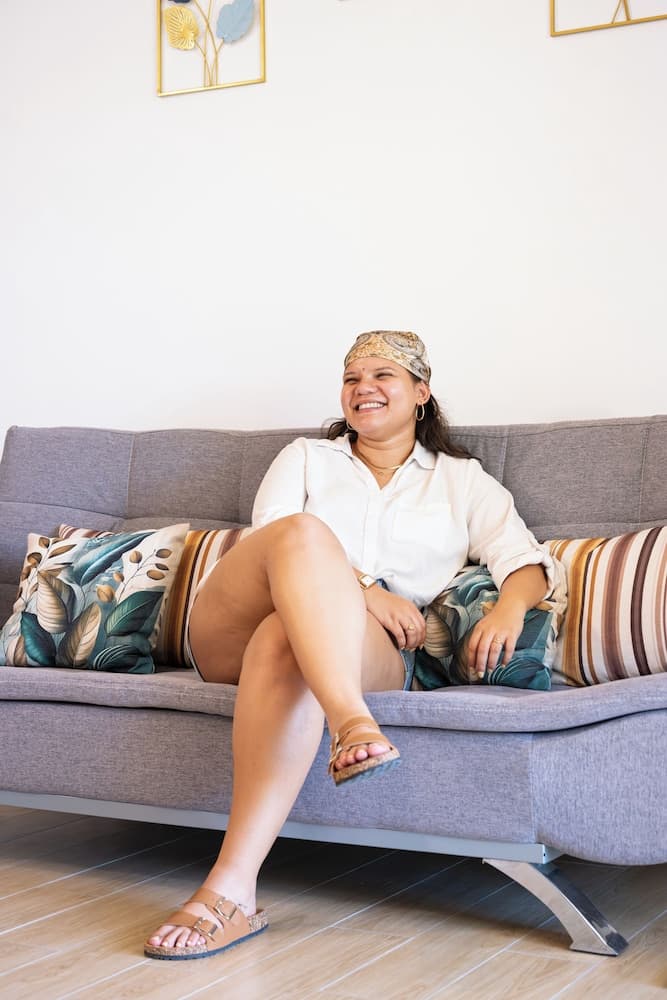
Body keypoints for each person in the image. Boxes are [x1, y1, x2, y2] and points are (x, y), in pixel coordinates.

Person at [144, 330, 555, 961]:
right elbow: (274, 542)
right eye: (352, 378)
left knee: (287, 638)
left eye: (383, 375)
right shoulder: (307, 457)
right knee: (302, 534)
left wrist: (508, 608)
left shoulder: (462, 480)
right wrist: (367, 590)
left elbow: (522, 560)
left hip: (366, 652)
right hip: (235, 628)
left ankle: (231, 893)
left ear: (421, 392)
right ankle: (351, 723)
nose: (364, 388)